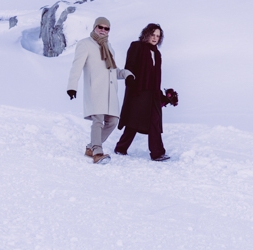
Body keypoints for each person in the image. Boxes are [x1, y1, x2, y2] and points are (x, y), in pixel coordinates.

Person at [67, 16, 131, 163]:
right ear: (94, 27)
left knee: (113, 121)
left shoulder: (109, 47)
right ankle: (97, 153)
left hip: (110, 92)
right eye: (100, 27)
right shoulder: (85, 44)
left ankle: (91, 147)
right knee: (98, 121)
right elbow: (76, 67)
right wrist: (72, 86)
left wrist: (126, 74)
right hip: (95, 90)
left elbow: (112, 70)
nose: (103, 30)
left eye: (106, 28)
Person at [114, 23, 177, 161]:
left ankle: (157, 153)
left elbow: (155, 77)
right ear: (146, 34)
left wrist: (163, 97)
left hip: (153, 94)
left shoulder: (157, 54)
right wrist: (130, 81)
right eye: (153, 35)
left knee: (154, 121)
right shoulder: (136, 46)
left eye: (158, 36)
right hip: (138, 91)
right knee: (133, 122)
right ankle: (121, 148)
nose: (155, 38)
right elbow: (129, 66)